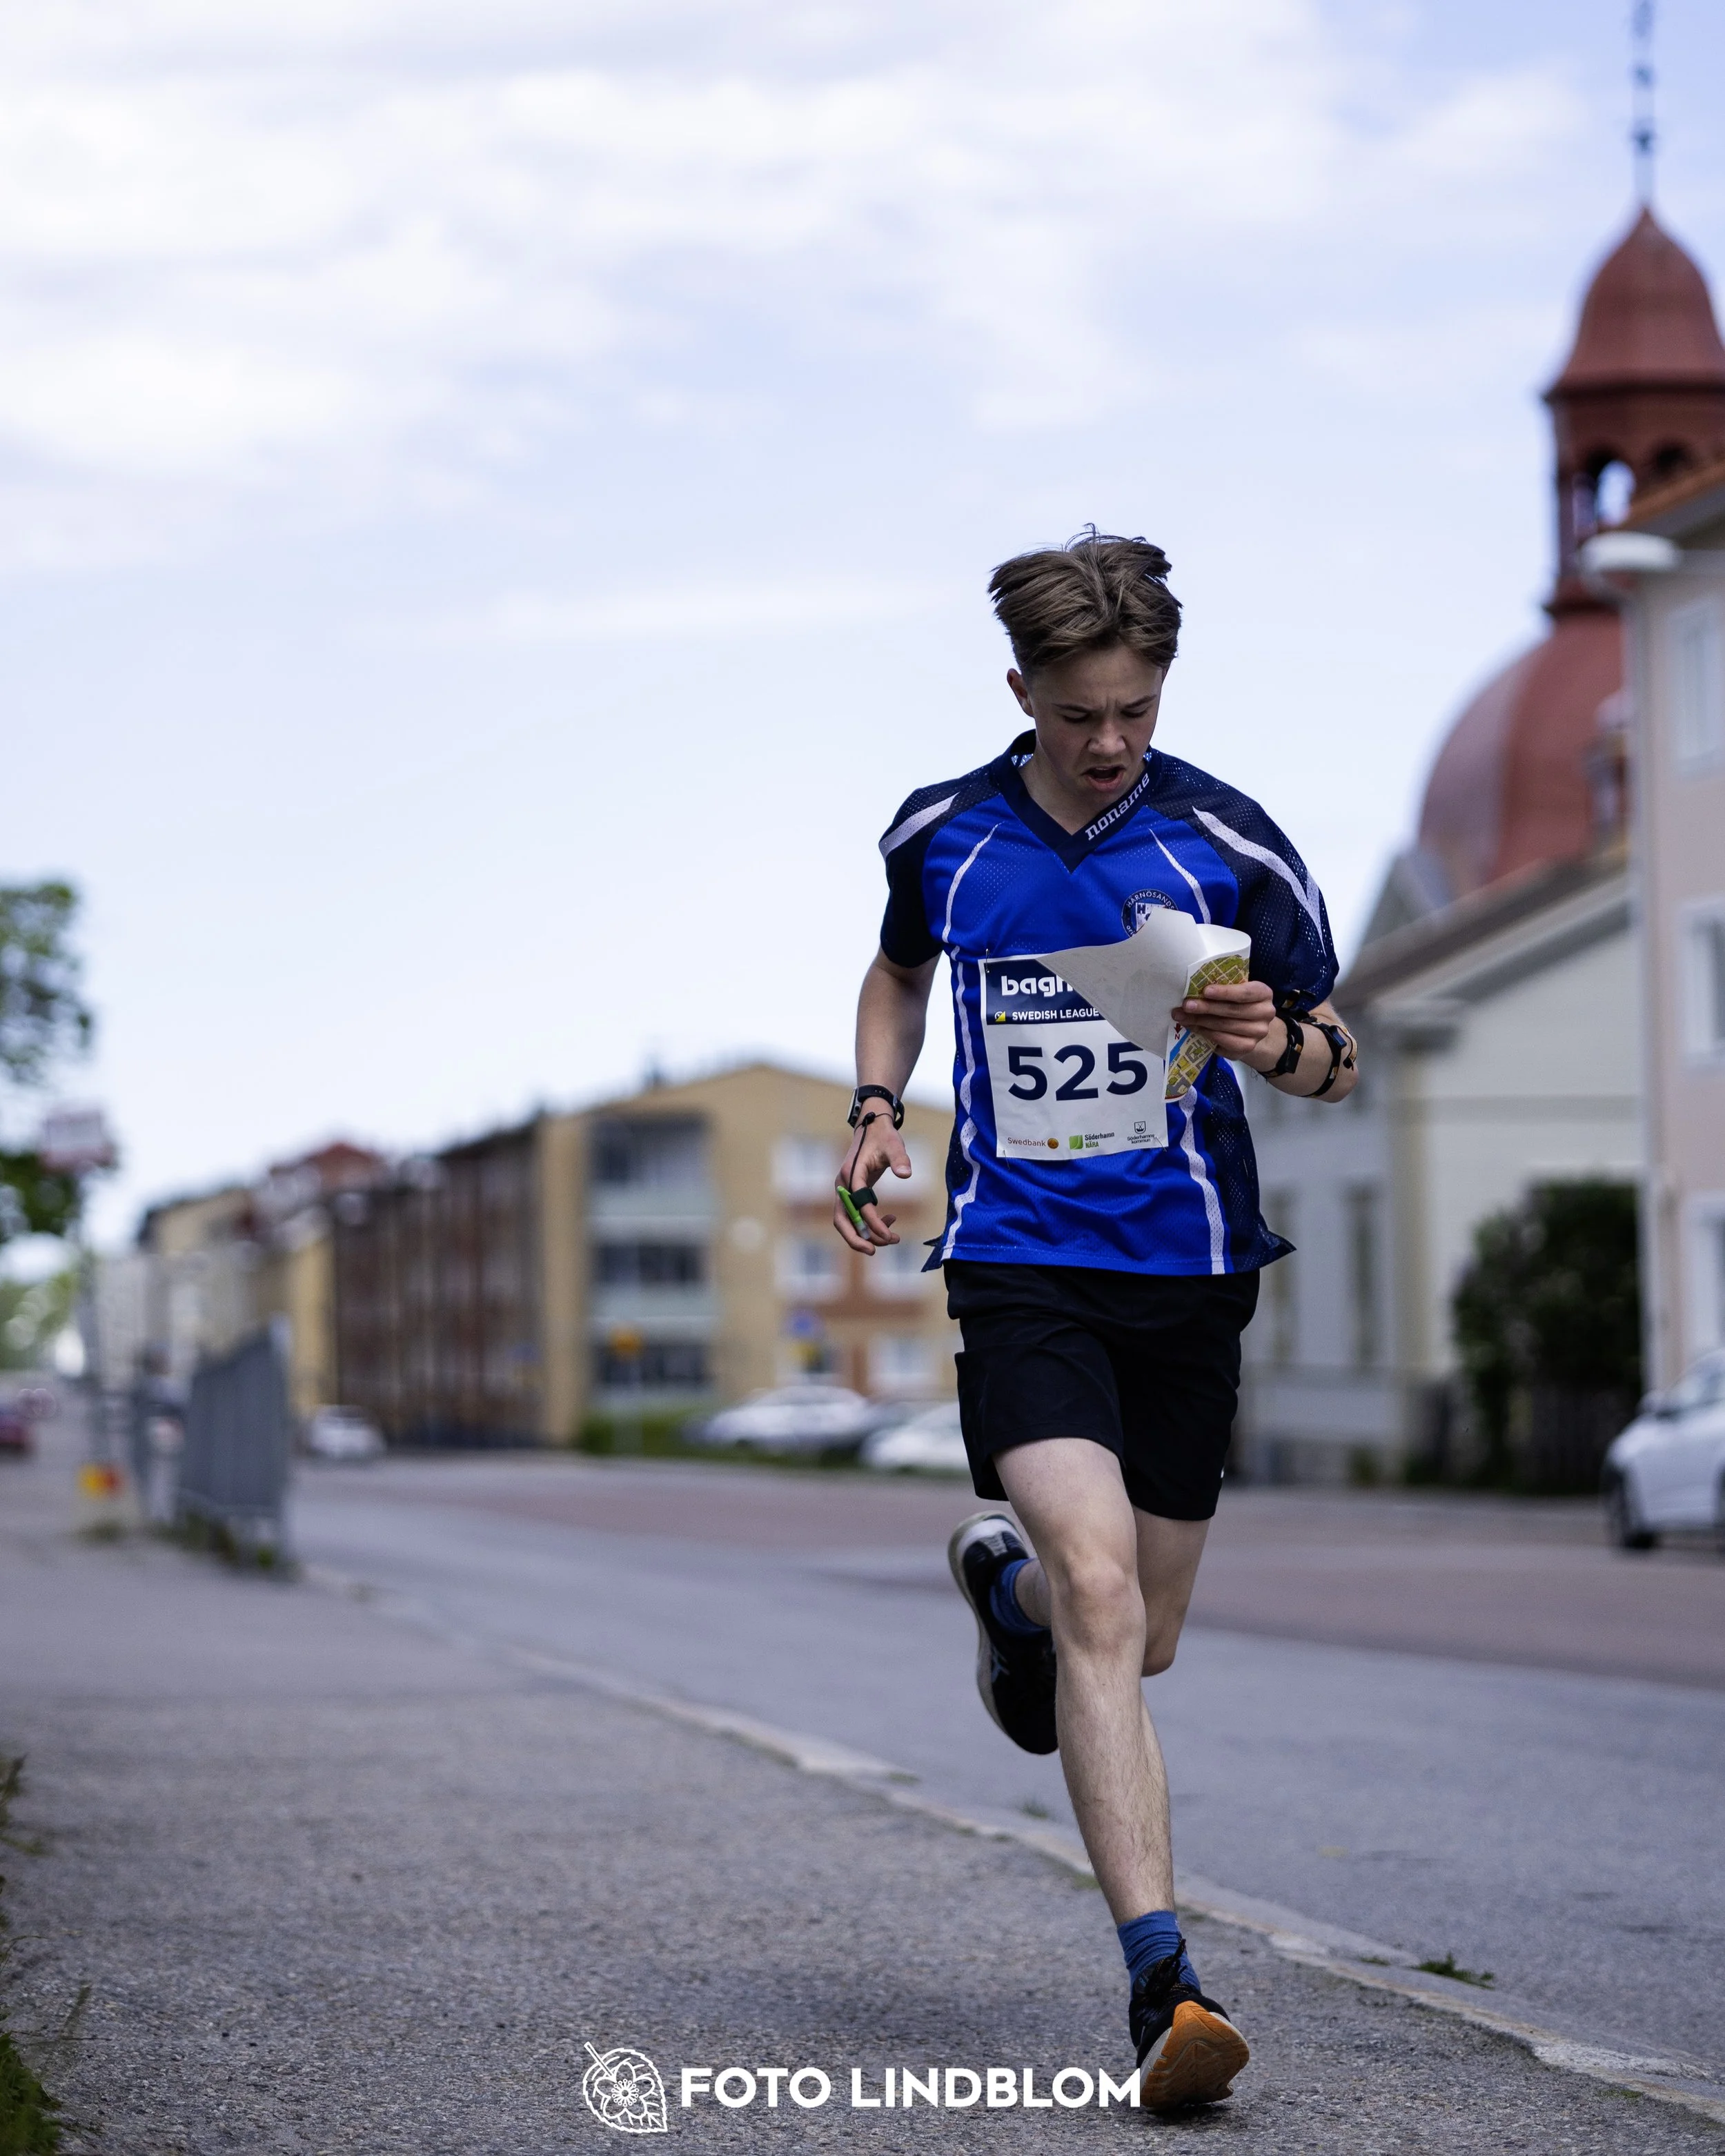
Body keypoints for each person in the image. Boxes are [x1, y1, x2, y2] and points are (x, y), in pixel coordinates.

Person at [831, 531, 1358, 2112]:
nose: (1112, 739)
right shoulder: (943, 831)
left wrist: (1278, 1039)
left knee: (1137, 1634)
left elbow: (1338, 1050)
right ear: (1021, 694)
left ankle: (1006, 1611)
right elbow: (896, 966)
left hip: (1190, 1271)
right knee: (1104, 1590)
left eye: (1135, 706)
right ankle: (1162, 1982)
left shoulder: (1228, 846)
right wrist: (873, 1102)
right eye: (1080, 714)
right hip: (1020, 1256)